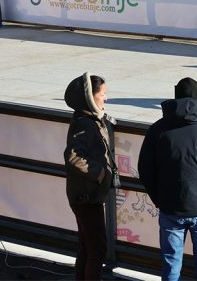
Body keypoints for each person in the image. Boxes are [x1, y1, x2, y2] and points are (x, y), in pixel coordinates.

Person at [138, 77, 197, 281]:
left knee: (171, 261)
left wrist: (160, 198)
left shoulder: (158, 129)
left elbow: (145, 169)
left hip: (171, 208)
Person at [63, 73, 118, 280]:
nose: (106, 98)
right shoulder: (84, 123)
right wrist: (100, 173)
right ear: (90, 97)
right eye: (103, 94)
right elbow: (73, 156)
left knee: (87, 246)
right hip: (86, 197)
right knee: (97, 249)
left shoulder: (87, 118)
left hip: (85, 195)